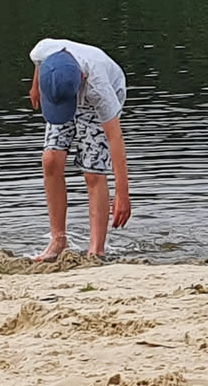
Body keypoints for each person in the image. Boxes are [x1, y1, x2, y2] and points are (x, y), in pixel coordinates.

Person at [28, 38, 132, 261]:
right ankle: (58, 240)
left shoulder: (99, 89)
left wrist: (122, 194)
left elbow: (115, 139)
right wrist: (36, 87)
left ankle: (96, 250)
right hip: (58, 94)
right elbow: (38, 63)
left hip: (96, 105)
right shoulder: (43, 51)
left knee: (93, 172)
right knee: (50, 160)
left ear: (82, 78)